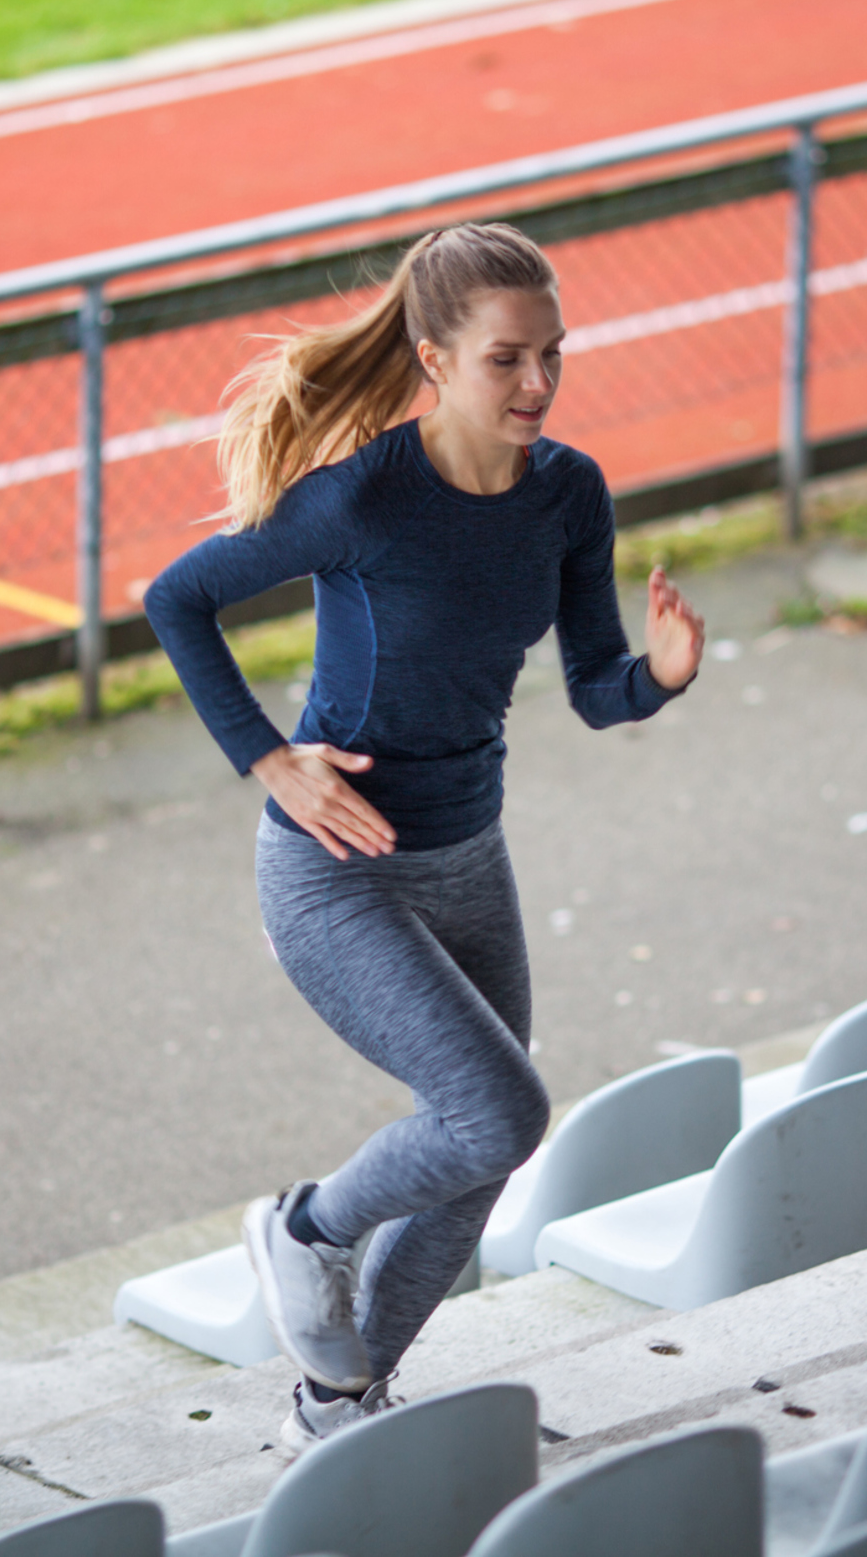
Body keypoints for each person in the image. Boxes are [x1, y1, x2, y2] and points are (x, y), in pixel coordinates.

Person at [142, 221, 706, 1454]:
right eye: (508, 360)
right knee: (496, 1113)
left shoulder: (566, 492)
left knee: (478, 1154)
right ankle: (303, 1231)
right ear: (434, 357)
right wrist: (267, 757)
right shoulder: (359, 502)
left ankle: (339, 1409)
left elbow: (594, 681)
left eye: (552, 355)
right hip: (335, 871)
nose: (539, 384)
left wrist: (657, 677)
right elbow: (176, 597)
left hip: (467, 857)